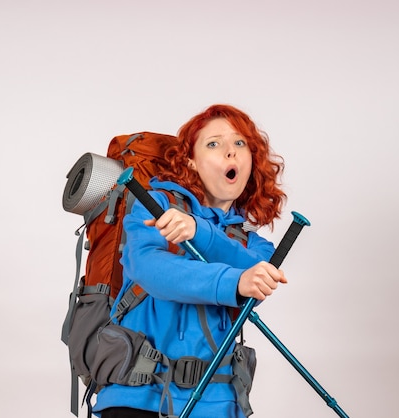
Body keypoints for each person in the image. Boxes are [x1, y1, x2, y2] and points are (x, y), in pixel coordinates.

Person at [93, 104, 288, 418]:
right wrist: (234, 281)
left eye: (240, 144)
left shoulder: (257, 245)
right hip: (137, 398)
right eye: (214, 144)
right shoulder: (154, 205)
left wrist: (200, 233)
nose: (231, 153)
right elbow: (150, 270)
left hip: (218, 405)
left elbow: (254, 275)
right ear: (191, 162)